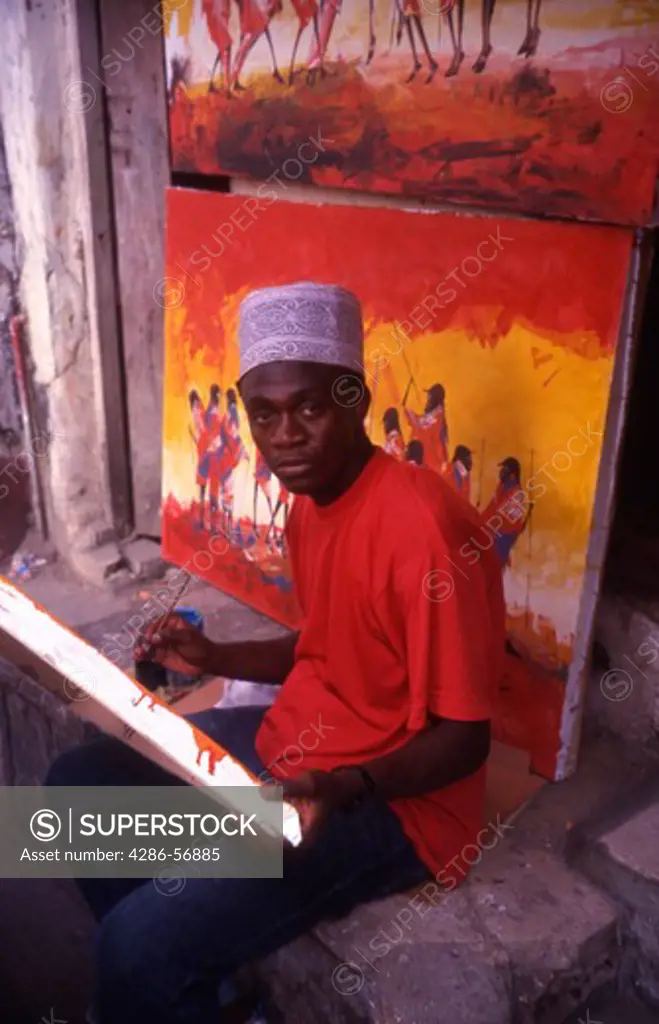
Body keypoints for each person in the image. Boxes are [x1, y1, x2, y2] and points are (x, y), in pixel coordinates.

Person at [46, 282, 505, 1024]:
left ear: (354, 401)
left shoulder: (422, 527)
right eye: (264, 413)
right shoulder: (309, 503)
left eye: (310, 408)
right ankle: (209, 999)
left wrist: (345, 787)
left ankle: (170, 973)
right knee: (76, 793)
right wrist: (216, 656)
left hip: (387, 809)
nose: (283, 435)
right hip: (288, 750)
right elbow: (329, 644)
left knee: (131, 950)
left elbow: (464, 741)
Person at [482, 456, 533, 568]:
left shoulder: (517, 494)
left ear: (512, 475)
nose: (501, 472)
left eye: (504, 469)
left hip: (506, 534)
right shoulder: (501, 486)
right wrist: (479, 521)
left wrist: (489, 528)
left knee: (492, 561)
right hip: (495, 530)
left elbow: (507, 522)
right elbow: (491, 507)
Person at [404, 382, 449, 476]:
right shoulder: (433, 415)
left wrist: (410, 415)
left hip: (430, 465)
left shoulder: (438, 416)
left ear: (434, 398)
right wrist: (407, 411)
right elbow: (420, 422)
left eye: (429, 396)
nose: (427, 400)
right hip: (427, 464)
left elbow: (424, 429)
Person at [188, 388, 210, 529]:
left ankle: (203, 519)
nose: (197, 406)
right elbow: (201, 430)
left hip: (204, 450)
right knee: (205, 487)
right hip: (205, 451)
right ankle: (203, 519)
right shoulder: (198, 412)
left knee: (204, 487)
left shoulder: (198, 412)